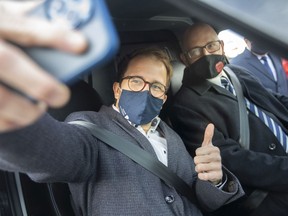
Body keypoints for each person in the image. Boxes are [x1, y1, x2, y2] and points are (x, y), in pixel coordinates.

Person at [0, 7, 244, 215]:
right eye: (136, 81)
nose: (146, 91)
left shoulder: (171, 135)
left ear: (164, 96)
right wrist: (15, 121)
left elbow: (195, 194)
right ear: (117, 89)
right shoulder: (90, 128)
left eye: (157, 86)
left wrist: (214, 179)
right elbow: (52, 154)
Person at [170, 22, 288, 216]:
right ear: (185, 59)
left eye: (211, 46)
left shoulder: (236, 72)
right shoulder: (185, 105)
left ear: (221, 46)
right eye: (195, 52)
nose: (207, 55)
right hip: (267, 194)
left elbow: (275, 101)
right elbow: (231, 160)